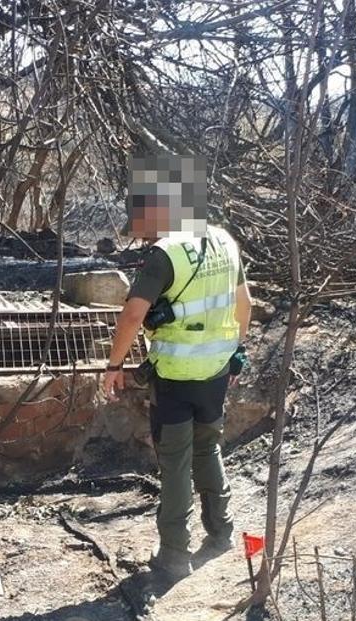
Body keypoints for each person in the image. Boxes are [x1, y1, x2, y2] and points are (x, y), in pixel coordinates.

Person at [102, 154, 252, 582]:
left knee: (175, 462)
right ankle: (221, 531)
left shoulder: (165, 254)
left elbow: (132, 316)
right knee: (209, 446)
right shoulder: (225, 241)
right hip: (217, 372)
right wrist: (234, 353)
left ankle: (173, 555)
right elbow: (245, 306)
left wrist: (114, 365)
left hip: (174, 377)